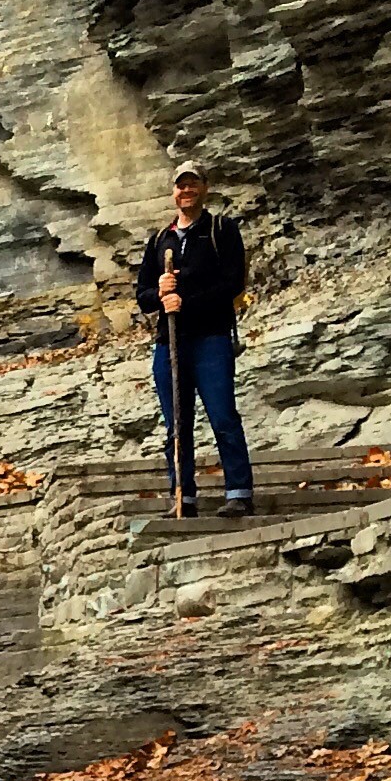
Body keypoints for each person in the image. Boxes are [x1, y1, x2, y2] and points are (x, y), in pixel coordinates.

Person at [134, 161, 253, 517]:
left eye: (192, 185)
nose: (185, 191)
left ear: (204, 188)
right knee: (176, 424)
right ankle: (182, 496)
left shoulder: (221, 229)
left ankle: (239, 492)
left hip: (211, 339)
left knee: (223, 416)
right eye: (180, 186)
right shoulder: (161, 239)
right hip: (169, 344)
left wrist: (187, 301)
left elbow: (233, 283)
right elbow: (141, 293)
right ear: (173, 192)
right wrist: (160, 294)